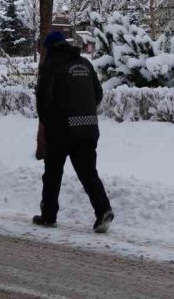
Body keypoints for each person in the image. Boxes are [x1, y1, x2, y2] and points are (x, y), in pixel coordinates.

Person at [33, 30, 114, 233]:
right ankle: (103, 210)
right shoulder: (85, 64)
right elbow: (98, 93)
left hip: (61, 129)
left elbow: (43, 100)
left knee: (53, 173)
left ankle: (49, 216)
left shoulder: (50, 66)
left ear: (49, 48)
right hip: (88, 127)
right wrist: (83, 112)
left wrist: (47, 121)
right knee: (88, 173)